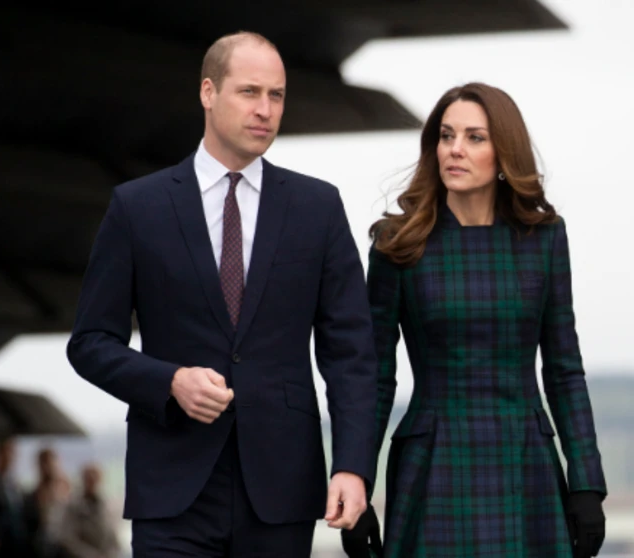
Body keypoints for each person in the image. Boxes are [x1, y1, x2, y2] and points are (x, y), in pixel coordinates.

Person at [66, 31, 377, 557]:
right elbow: (91, 342)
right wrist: (170, 381)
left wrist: (351, 464)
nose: (265, 110)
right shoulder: (137, 208)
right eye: (249, 92)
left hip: (281, 488)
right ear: (208, 92)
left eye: (276, 96)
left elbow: (351, 354)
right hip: (171, 489)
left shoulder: (317, 208)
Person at [344, 82, 607, 558]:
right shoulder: (398, 242)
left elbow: (565, 370)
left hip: (524, 460)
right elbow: (375, 377)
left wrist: (586, 482)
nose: (455, 150)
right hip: (433, 461)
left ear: (504, 152)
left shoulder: (543, 238)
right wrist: (356, 478)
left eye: (474, 138)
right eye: (446, 136)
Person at [58, 464, 120, 558]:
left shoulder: (106, 507)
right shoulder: (73, 507)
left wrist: (109, 555)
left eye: (95, 480)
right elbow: (69, 539)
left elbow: (113, 538)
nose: (92, 483)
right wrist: (91, 555)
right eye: (89, 479)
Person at [0, 437, 32, 557]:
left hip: (17, 540)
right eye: (8, 451)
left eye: (13, 453)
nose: (10, 457)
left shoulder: (14, 483)